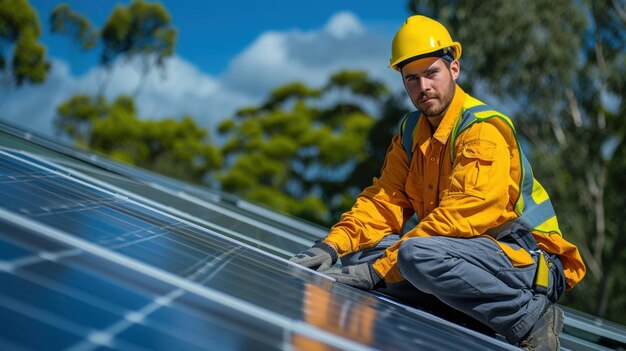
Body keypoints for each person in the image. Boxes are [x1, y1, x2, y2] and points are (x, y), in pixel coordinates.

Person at [290, 15, 586, 350]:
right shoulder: (410, 132)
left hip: (525, 264)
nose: (423, 87)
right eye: (411, 79)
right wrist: (332, 246)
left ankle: (532, 318)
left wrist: (381, 270)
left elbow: (461, 218)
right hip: (462, 257)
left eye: (431, 73)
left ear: (454, 70)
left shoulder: (482, 130)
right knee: (360, 257)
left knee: (409, 258)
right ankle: (466, 316)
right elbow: (381, 202)